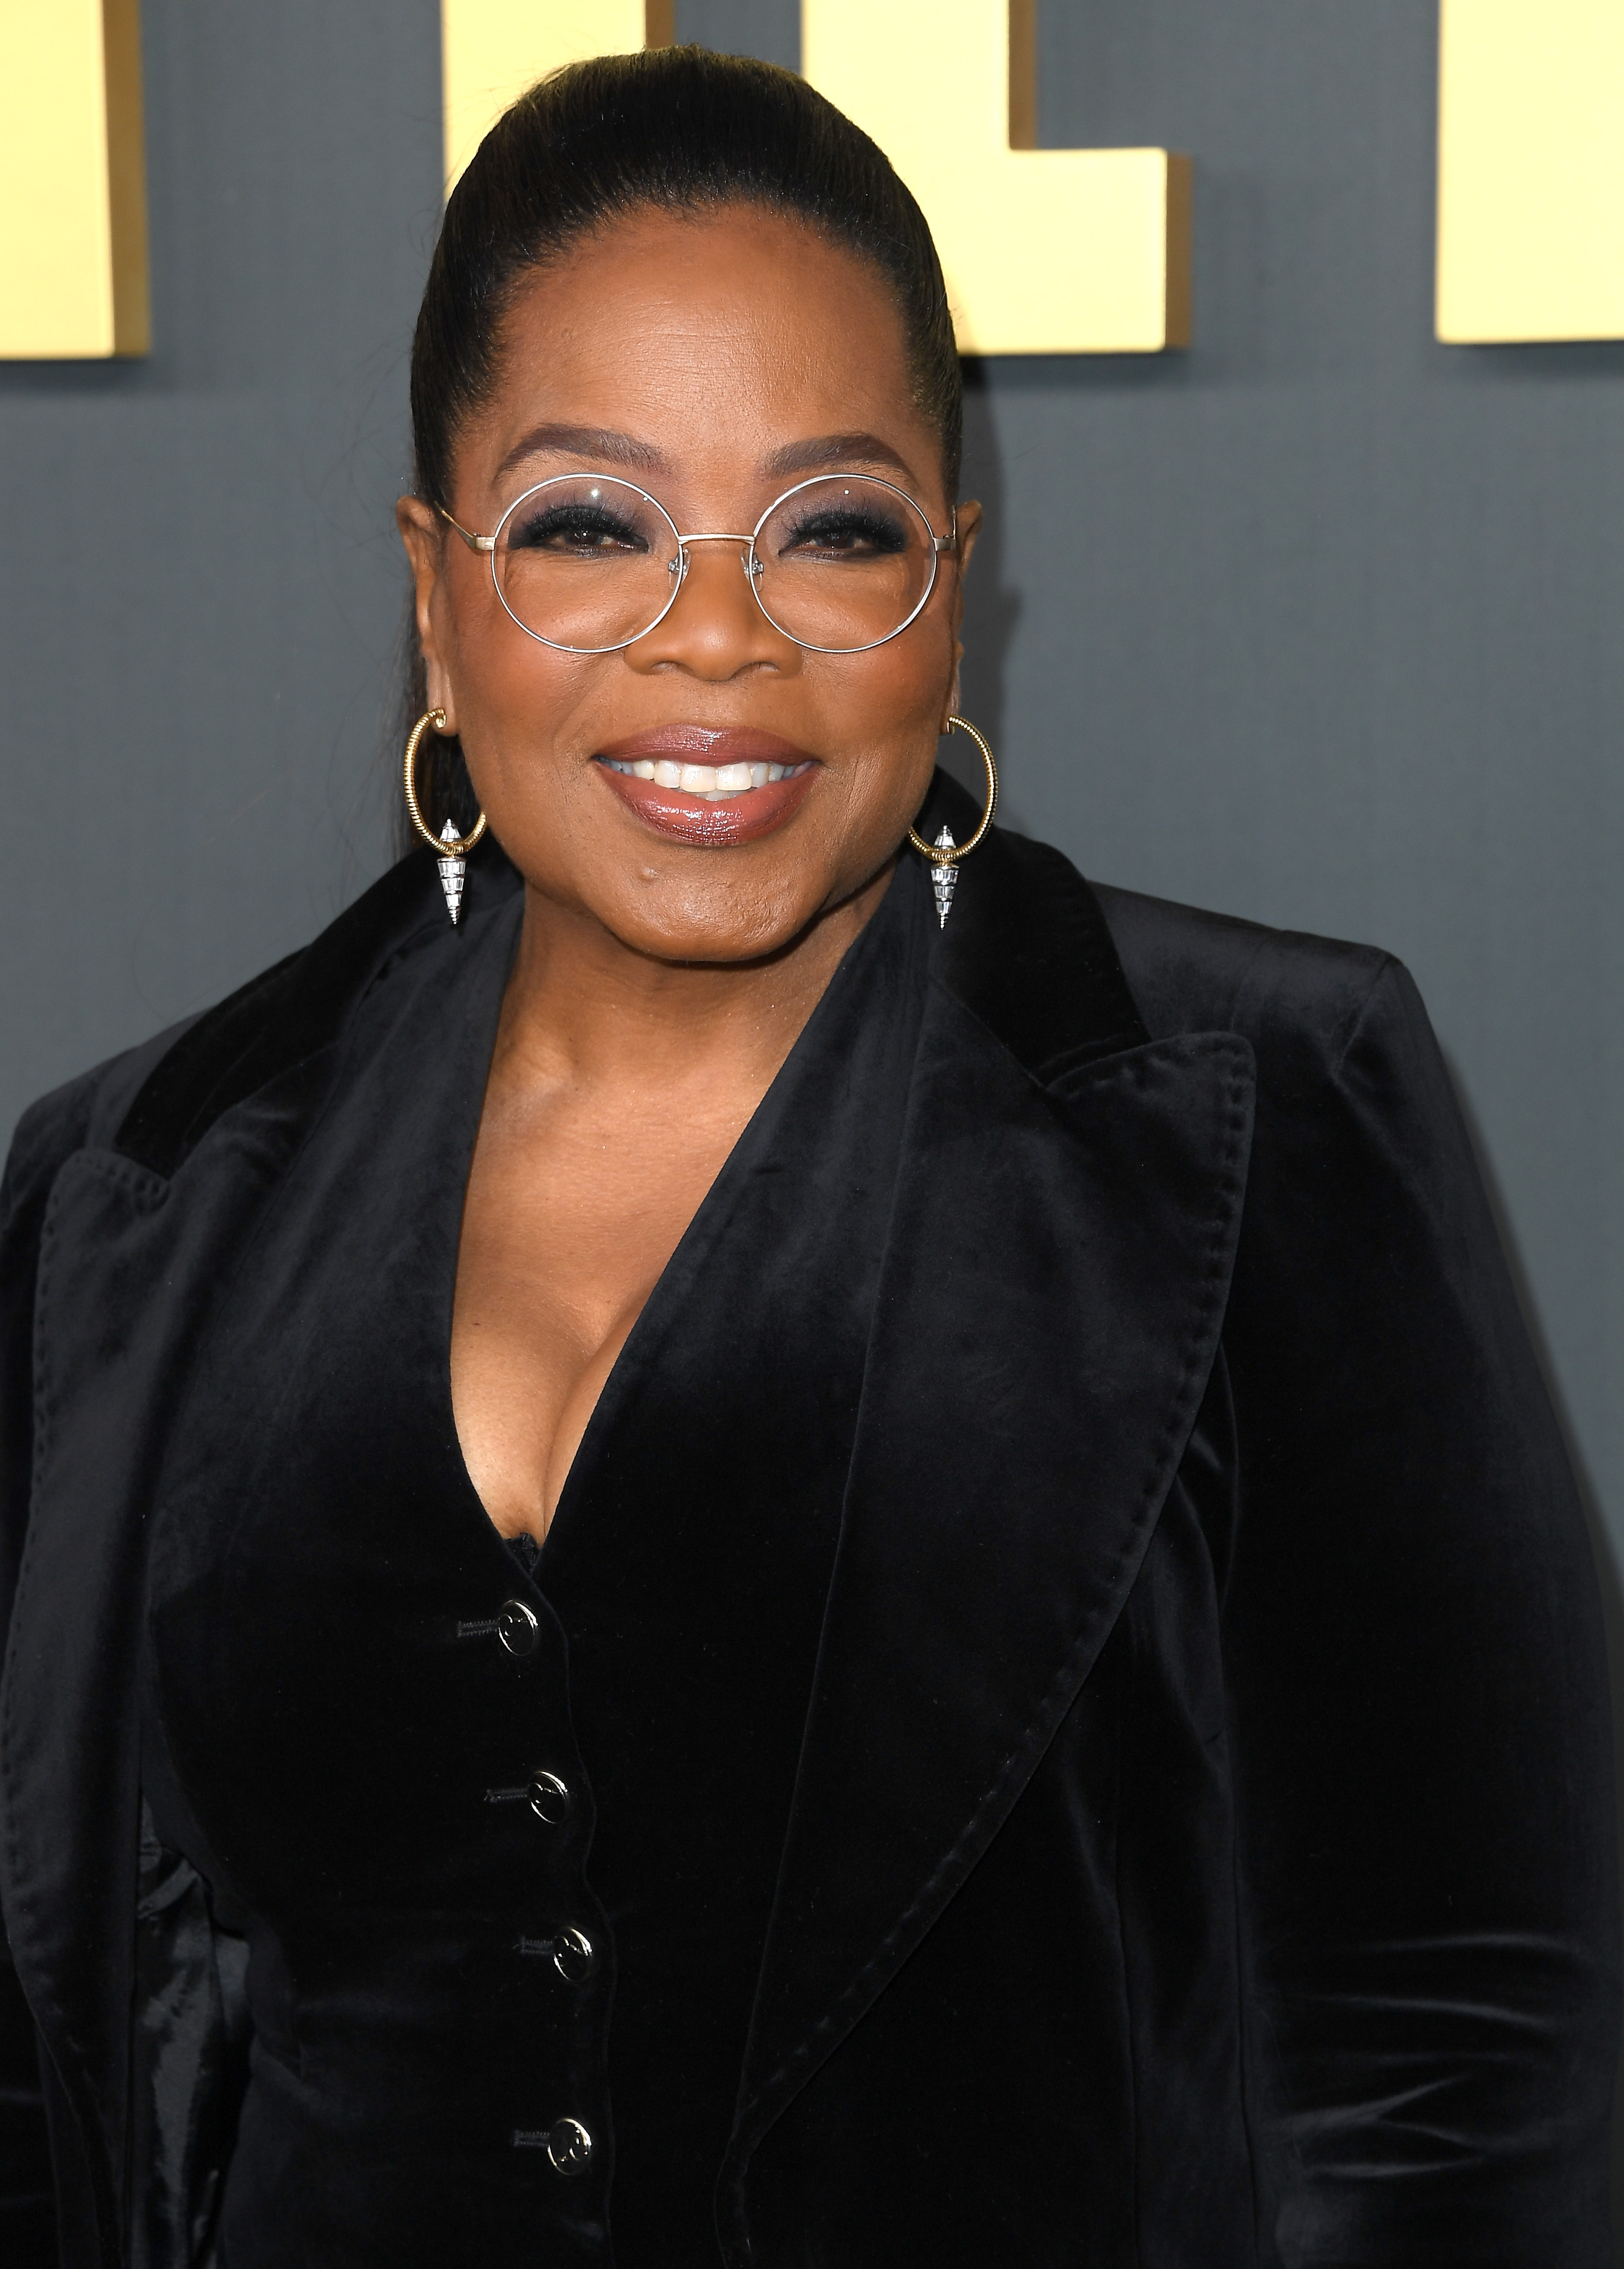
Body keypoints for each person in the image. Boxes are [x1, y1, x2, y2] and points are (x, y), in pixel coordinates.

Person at [0, 44, 1615, 2269]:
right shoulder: (135, 1191)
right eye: (589, 523)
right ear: (434, 587)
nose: (719, 637)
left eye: (830, 527)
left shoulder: (1257, 1105)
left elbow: (1462, 2047)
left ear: (948, 585)